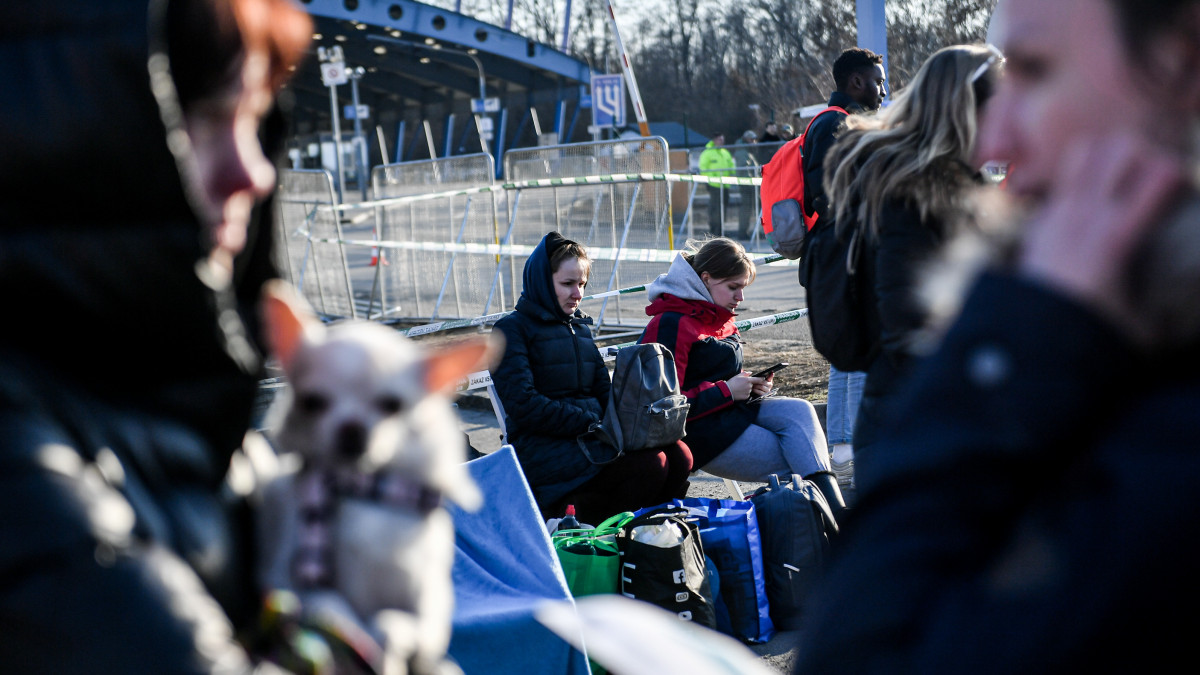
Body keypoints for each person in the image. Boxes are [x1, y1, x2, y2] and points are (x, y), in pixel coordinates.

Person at [794, 0, 1200, 670]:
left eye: (1035, 71)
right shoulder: (1116, 343)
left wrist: (1017, 337)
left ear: (1183, 67)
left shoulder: (1159, 425)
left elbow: (862, 649)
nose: (1000, 139)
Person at [0, 0, 311, 671]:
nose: (253, 172)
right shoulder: (19, 452)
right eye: (202, 119)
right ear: (60, 135)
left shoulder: (184, 412)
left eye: (255, 117)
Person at [821, 44, 1000, 471]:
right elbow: (908, 326)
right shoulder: (915, 193)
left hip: (925, 422)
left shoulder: (957, 184)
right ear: (966, 110)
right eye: (1003, 105)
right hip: (913, 431)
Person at [492, 232, 693, 525]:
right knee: (651, 465)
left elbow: (604, 390)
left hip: (592, 436)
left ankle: (656, 535)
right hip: (543, 446)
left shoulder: (580, 328)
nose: (578, 294)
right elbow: (523, 405)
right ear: (541, 281)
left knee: (680, 455)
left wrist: (634, 420)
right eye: (567, 284)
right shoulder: (512, 330)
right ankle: (595, 525)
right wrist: (591, 423)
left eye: (582, 284)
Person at [638, 237, 846, 515]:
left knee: (800, 409)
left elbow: (717, 374)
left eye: (743, 287)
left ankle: (834, 514)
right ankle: (830, 520)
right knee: (800, 457)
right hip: (697, 431)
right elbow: (661, 405)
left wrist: (749, 384)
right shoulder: (670, 323)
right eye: (733, 287)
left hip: (731, 411)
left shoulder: (716, 313)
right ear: (706, 278)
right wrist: (726, 390)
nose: (741, 297)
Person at [800, 46, 887, 499]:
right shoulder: (838, 124)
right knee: (855, 357)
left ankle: (844, 451)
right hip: (845, 256)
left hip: (838, 254)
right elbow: (828, 192)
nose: (883, 88)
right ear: (856, 82)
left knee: (843, 361)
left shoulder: (829, 121)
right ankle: (853, 455)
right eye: (877, 79)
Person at [699, 133, 736, 236]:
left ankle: (720, 230)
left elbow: (731, 167)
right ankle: (714, 229)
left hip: (725, 185)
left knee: (723, 207)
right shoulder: (707, 153)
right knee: (715, 208)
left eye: (722, 140)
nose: (722, 142)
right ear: (714, 140)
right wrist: (709, 180)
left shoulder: (725, 153)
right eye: (720, 139)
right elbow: (703, 168)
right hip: (714, 185)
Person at [732, 130, 761, 240]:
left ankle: (748, 232)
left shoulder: (747, 151)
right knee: (746, 208)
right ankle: (743, 232)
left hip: (750, 184)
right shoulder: (742, 152)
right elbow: (744, 170)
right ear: (746, 139)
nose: (754, 141)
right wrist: (751, 182)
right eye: (751, 139)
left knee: (752, 208)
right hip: (747, 185)